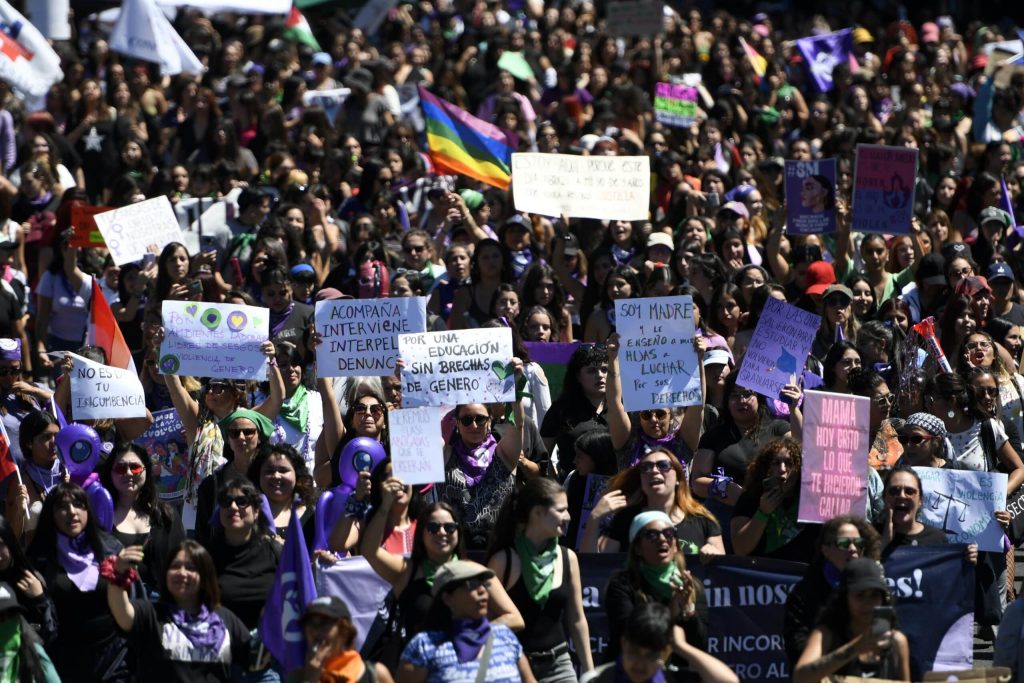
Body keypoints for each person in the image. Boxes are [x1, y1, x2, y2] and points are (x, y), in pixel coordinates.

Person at [361, 499, 523, 670]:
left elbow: (515, 618)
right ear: (421, 533)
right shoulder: (406, 571)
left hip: (465, 669)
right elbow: (369, 551)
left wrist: (475, 633)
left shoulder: (476, 572)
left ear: (458, 532)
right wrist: (385, 504)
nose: (442, 532)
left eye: (449, 527)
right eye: (433, 527)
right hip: (420, 669)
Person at [486, 478, 593, 682]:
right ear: (537, 512)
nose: (568, 517)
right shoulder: (503, 561)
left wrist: (589, 671)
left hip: (559, 665)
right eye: (561, 510)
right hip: (512, 665)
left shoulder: (568, 558)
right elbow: (488, 620)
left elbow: (577, 618)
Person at [26, 482, 130, 682]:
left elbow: (131, 603)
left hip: (113, 659)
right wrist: (39, 598)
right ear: (51, 515)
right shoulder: (39, 559)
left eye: (79, 505)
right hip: (63, 662)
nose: (72, 512)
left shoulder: (111, 548)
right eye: (63, 507)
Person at [106, 539, 252, 682]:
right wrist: (117, 573)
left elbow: (255, 657)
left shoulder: (225, 618)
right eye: (175, 566)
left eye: (191, 568)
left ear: (205, 576)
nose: (182, 573)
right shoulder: (151, 614)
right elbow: (121, 612)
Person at [603, 511, 709, 676]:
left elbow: (701, 644)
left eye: (668, 533)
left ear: (675, 544)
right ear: (637, 547)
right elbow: (632, 634)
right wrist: (672, 613)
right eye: (651, 535)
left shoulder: (691, 585)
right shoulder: (622, 584)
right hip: (632, 673)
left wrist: (688, 611)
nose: (662, 539)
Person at [397, 560, 537, 683]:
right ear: (447, 598)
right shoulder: (425, 646)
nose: (482, 590)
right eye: (471, 585)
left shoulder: (505, 637)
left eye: (484, 584)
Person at [439, 363, 525, 549]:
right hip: (455, 548)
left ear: (490, 421)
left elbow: (518, 425)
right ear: (457, 424)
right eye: (467, 420)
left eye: (480, 419)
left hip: (500, 547)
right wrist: (408, 381)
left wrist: (515, 389)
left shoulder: (503, 454)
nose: (474, 426)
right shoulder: (446, 454)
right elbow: (418, 429)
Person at [583, 448, 724, 560]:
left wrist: (714, 555)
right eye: (646, 468)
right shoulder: (626, 520)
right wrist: (594, 518)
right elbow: (593, 566)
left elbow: (725, 573)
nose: (654, 471)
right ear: (641, 480)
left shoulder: (703, 520)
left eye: (663, 465)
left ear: (678, 479)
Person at [784, 516, 882, 666]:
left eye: (858, 543)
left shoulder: (876, 589)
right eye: (843, 543)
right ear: (825, 550)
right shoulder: (804, 593)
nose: (853, 549)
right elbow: (798, 650)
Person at [793, 558, 910, 682]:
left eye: (875, 595)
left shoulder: (896, 642)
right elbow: (800, 677)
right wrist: (856, 647)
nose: (868, 603)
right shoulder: (826, 635)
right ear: (845, 598)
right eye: (860, 595)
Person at [605, 332, 705, 469]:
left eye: (660, 414)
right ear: (639, 418)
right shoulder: (628, 444)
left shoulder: (684, 443)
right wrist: (613, 358)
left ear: (671, 416)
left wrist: (698, 359)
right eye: (646, 415)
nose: (653, 419)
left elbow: (698, 403)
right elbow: (614, 402)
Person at [99, 443, 186, 599]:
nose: (128, 473)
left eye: (135, 467)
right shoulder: (99, 516)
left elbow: (182, 561)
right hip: (118, 605)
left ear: (146, 470)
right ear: (110, 473)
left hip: (163, 607)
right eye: (120, 468)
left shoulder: (167, 515)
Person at [582, 603, 738, 683]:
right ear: (624, 644)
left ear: (665, 653)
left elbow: (729, 681)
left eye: (651, 656)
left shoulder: (672, 678)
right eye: (634, 652)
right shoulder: (597, 679)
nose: (640, 664)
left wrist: (682, 647)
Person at [731, 438, 820, 561]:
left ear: (799, 469)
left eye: (789, 463)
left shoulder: (814, 500)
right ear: (766, 468)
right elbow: (740, 549)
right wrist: (762, 513)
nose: (782, 469)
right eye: (776, 463)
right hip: (763, 574)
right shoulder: (751, 496)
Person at [295, 596, 395, 683]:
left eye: (323, 624)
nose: (315, 631)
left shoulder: (376, 674)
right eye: (310, 624)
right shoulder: (297, 677)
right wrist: (310, 680)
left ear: (344, 631)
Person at [0, 580, 61, 682]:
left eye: (11, 615)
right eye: (0, 618)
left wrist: (40, 600)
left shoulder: (30, 647)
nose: (7, 622)